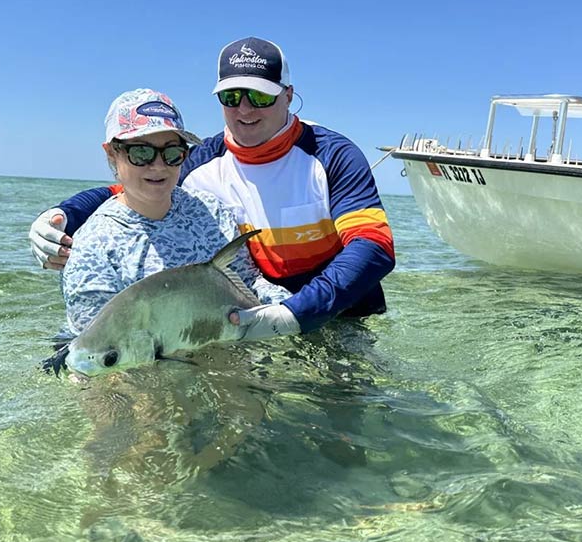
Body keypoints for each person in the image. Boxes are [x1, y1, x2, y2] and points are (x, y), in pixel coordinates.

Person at [31, 37, 395, 339]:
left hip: (342, 315)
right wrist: (61, 215)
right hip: (254, 320)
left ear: (288, 95)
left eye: (261, 96)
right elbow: (137, 189)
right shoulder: (199, 161)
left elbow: (373, 248)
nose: (245, 109)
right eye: (231, 96)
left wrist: (296, 313)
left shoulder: (332, 155)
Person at [62, 87, 288, 337]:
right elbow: (98, 349)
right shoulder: (93, 246)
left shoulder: (212, 212)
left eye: (172, 153)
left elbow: (248, 284)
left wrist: (290, 312)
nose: (158, 166)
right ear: (112, 153)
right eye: (141, 152)